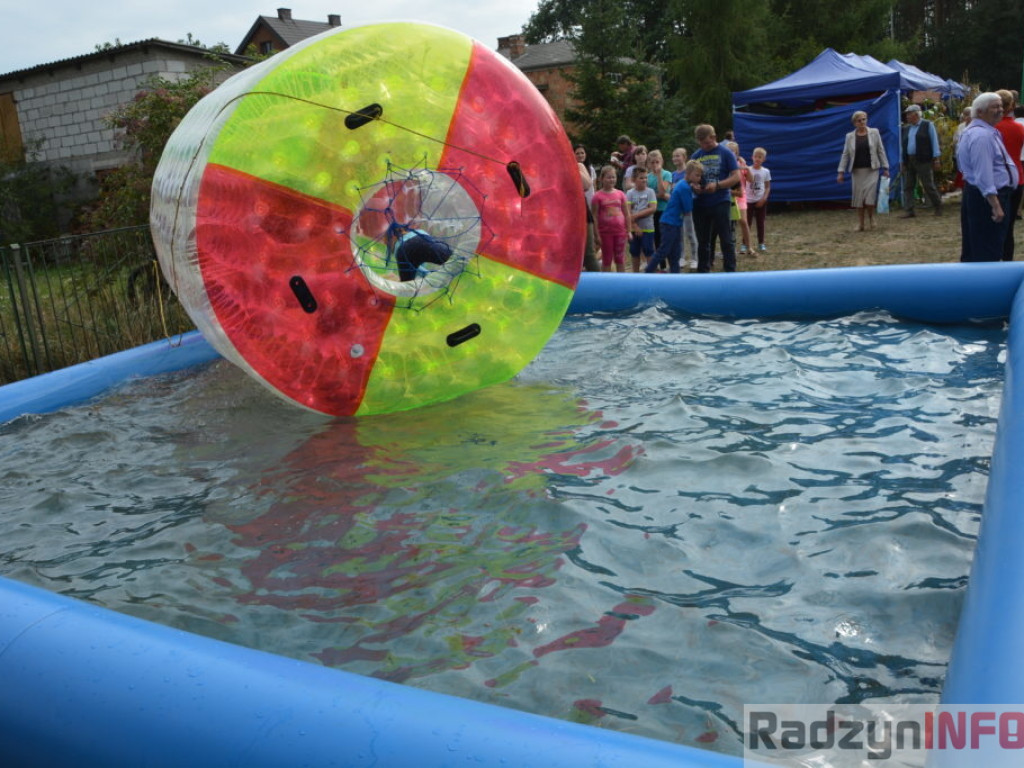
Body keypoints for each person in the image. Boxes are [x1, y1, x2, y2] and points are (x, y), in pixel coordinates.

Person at [957, 92, 1020, 262]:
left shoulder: (984, 132)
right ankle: (984, 286)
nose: (1000, 110)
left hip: (983, 195)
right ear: (980, 112)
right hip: (987, 198)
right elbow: (983, 174)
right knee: (987, 249)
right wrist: (995, 204)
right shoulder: (982, 136)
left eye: (1001, 106)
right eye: (995, 107)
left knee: (979, 247)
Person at [692, 124, 741, 272]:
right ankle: (703, 272)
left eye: (706, 142)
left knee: (726, 239)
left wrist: (718, 185)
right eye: (701, 143)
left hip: (720, 201)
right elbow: (689, 179)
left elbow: (736, 176)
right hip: (700, 203)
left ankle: (730, 271)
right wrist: (694, 187)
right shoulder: (696, 156)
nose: (704, 146)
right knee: (703, 241)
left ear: (714, 137)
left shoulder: (726, 153)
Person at [645, 160, 702, 273]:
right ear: (688, 173)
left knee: (675, 253)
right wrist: (696, 192)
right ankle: (648, 272)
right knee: (664, 250)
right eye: (697, 175)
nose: (699, 178)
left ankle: (675, 276)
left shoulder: (682, 184)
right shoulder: (685, 187)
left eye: (700, 175)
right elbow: (687, 209)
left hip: (674, 223)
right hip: (669, 223)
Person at [837, 110, 890, 232]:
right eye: (859, 120)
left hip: (872, 170)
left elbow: (880, 150)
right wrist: (841, 172)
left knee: (869, 198)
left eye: (864, 119)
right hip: (857, 171)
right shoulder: (849, 136)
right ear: (854, 123)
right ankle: (861, 223)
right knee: (859, 198)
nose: (862, 122)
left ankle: (871, 218)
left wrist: (885, 167)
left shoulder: (874, 132)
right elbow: (845, 154)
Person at [994, 90, 1024, 260]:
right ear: (1012, 105)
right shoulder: (1018, 128)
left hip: (997, 181)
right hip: (1016, 178)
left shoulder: (992, 128)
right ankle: (1007, 260)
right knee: (1009, 227)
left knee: (994, 225)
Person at [900, 104, 943, 217]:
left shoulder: (928, 125)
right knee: (908, 186)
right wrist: (903, 162)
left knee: (928, 185)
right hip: (910, 160)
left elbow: (934, 142)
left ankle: (938, 206)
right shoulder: (906, 128)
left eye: (909, 114)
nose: (907, 116)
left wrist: (936, 159)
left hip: (924, 159)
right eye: (907, 114)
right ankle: (909, 210)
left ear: (916, 114)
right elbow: (903, 146)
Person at [591, 165, 629, 272]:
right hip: (605, 233)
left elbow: (626, 213)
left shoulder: (620, 194)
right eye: (608, 177)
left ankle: (622, 282)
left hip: (620, 232)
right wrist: (596, 234)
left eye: (613, 177)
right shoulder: (597, 196)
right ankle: (606, 284)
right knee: (607, 259)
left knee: (620, 259)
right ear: (601, 179)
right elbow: (594, 216)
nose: (611, 179)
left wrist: (629, 230)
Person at [386, 225, 452, 282]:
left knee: (407, 284)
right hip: (436, 247)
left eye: (388, 244)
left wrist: (428, 275)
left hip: (405, 249)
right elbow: (424, 253)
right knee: (451, 259)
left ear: (393, 238)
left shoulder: (398, 245)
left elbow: (416, 267)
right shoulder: (420, 231)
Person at [671, 147, 699, 269]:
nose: (676, 158)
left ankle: (694, 258)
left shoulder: (689, 173)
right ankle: (681, 257)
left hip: (688, 208)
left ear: (684, 157)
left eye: (678, 155)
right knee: (679, 234)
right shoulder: (672, 174)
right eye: (674, 156)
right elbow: (671, 189)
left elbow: (693, 187)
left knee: (691, 233)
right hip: (678, 209)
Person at [626, 167, 657, 272]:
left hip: (648, 228)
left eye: (645, 178)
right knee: (634, 251)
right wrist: (635, 226)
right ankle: (635, 274)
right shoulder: (630, 193)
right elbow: (627, 212)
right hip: (634, 230)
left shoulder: (650, 192)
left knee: (649, 250)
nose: (644, 180)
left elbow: (652, 208)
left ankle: (651, 274)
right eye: (641, 178)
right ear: (634, 180)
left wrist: (636, 216)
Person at [726, 141, 752, 254]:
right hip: (728, 195)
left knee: (743, 221)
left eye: (733, 151)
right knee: (728, 224)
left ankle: (749, 246)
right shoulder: (724, 165)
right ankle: (729, 248)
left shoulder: (741, 164)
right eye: (729, 151)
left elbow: (751, 180)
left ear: (737, 153)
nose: (731, 153)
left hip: (740, 196)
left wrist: (747, 168)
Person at [577, 147, 600, 271]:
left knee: (589, 255)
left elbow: (587, 185)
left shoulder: (578, 166)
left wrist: (570, 163)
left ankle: (600, 287)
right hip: (564, 217)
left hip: (582, 214)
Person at [745, 147, 772, 252]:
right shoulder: (748, 170)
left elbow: (767, 187)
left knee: (760, 223)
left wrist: (764, 199)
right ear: (752, 157)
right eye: (755, 156)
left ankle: (761, 243)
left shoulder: (766, 171)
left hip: (760, 200)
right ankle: (744, 243)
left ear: (764, 159)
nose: (757, 159)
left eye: (760, 157)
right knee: (747, 223)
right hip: (748, 201)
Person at [646, 149, 673, 247]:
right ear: (648, 163)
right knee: (656, 238)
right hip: (652, 210)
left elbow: (662, 192)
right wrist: (657, 196)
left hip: (664, 209)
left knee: (665, 237)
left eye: (657, 162)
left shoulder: (667, 174)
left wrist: (659, 175)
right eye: (652, 162)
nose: (655, 165)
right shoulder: (647, 176)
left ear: (661, 161)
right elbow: (645, 195)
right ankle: (661, 262)